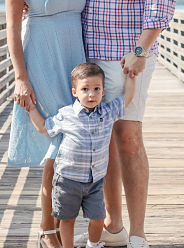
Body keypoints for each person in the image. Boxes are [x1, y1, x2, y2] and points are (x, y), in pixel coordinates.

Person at [69, 0, 176, 248]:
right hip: (88, 59)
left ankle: (138, 233)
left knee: (128, 138)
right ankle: (112, 227)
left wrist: (140, 50)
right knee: (102, 142)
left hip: (128, 56)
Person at [1, 0, 87, 248]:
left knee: (69, 147)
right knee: (57, 146)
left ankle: (53, 227)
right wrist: (21, 78)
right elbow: (11, 29)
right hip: (42, 59)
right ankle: (48, 231)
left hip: (74, 63)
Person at [28, 62, 136, 248]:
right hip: (68, 180)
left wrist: (132, 77)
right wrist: (30, 108)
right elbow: (43, 127)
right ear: (75, 92)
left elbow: (127, 98)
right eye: (85, 89)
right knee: (67, 219)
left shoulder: (107, 112)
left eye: (96, 89)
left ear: (103, 91)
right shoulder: (66, 115)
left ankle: (93, 245)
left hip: (95, 180)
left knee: (98, 218)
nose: (91, 94)